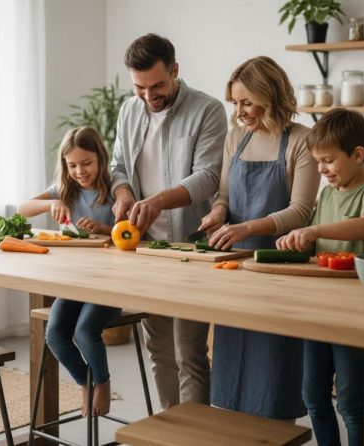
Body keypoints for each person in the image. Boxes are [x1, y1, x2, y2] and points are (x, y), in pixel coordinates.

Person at [199, 56, 319, 422]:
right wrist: (218, 214)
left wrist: (248, 227)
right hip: (234, 266)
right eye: (235, 102)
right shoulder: (235, 137)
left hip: (279, 267)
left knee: (274, 366)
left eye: (247, 102)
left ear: (272, 96)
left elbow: (301, 211)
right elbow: (223, 196)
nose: (240, 111)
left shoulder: (301, 140)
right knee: (232, 360)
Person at [110, 33, 227, 409]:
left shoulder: (207, 110)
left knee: (189, 353)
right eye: (139, 87)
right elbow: (118, 167)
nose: (148, 95)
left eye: (157, 85)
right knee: (158, 349)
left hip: (190, 244)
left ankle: (194, 435)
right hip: (145, 247)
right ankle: (169, 430)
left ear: (175, 70)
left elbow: (208, 175)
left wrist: (158, 201)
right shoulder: (129, 110)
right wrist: (124, 194)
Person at [276, 108, 364, 446]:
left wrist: (312, 228)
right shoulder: (327, 194)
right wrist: (298, 240)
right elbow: (318, 244)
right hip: (321, 306)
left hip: (358, 309)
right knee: (313, 395)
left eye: (328, 160)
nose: (321, 169)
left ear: (357, 155)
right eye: (317, 162)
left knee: (352, 401)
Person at [18, 126, 119, 416]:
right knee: (55, 335)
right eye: (72, 165)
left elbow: (132, 234)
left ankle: (103, 382)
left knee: (85, 332)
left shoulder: (114, 189)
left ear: (100, 158)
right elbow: (23, 208)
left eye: (86, 163)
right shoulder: (65, 190)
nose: (79, 171)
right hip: (75, 281)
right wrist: (52, 202)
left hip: (110, 283)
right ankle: (86, 382)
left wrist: (103, 229)